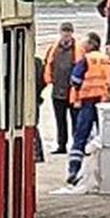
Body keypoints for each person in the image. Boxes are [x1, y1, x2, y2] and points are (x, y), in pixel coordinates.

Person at [67, 32, 109, 185]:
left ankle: (74, 170)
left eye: (85, 43)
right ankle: (104, 171)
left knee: (80, 136)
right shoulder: (107, 59)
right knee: (103, 137)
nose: (82, 46)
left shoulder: (86, 59)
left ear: (91, 44)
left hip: (87, 101)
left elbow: (75, 79)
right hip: (103, 102)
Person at [43, 21, 79, 154]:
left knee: (76, 121)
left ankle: (76, 145)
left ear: (72, 33)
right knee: (60, 120)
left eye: (68, 31)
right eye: (64, 31)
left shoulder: (78, 48)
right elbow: (47, 65)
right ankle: (61, 145)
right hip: (58, 90)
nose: (66, 34)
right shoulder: (53, 49)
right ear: (60, 33)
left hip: (73, 91)